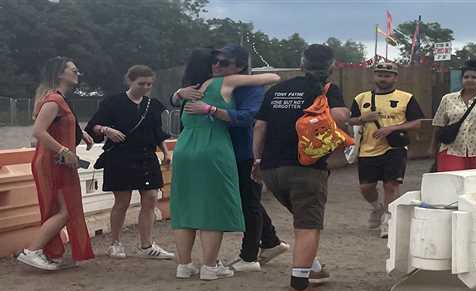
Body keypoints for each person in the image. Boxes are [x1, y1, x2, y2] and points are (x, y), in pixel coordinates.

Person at [171, 44, 288, 273]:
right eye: (214, 62)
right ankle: (216, 263)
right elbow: (273, 77)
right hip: (219, 149)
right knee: (220, 207)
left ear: (239, 67)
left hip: (212, 149)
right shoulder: (210, 85)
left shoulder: (198, 89)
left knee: (243, 202)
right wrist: (185, 98)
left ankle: (250, 253)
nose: (217, 65)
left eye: (223, 63)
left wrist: (184, 97)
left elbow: (249, 115)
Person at [252, 44, 350, 291]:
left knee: (302, 216)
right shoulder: (328, 90)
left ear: (301, 64)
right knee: (308, 225)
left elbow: (260, 127)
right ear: (331, 67)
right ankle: (299, 287)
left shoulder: (276, 90)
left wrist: (258, 159)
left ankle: (314, 269)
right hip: (306, 168)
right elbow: (341, 117)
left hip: (272, 169)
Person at [85, 65, 174, 260]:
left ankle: (147, 244)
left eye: (149, 84)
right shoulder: (112, 103)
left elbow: (157, 132)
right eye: (141, 83)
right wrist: (107, 130)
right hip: (120, 156)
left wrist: (166, 153)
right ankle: (115, 243)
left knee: (151, 197)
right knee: (122, 201)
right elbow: (93, 127)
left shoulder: (153, 105)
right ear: (130, 81)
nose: (145, 87)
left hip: (147, 155)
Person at [17, 56, 95, 270]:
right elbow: (38, 132)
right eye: (73, 69)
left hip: (57, 161)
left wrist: (80, 135)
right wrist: (63, 150)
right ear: (60, 74)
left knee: (59, 209)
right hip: (54, 162)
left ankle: (45, 252)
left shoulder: (56, 99)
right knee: (66, 209)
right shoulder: (54, 100)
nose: (77, 73)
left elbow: (57, 127)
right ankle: (32, 250)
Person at [349, 62, 424, 238]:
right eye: (380, 75)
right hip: (368, 149)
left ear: (395, 78)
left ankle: (388, 222)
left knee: (391, 185)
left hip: (394, 147)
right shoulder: (361, 98)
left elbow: (418, 122)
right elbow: (350, 120)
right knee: (366, 187)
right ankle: (377, 208)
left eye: (387, 75)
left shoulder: (406, 98)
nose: (383, 79)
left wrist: (393, 128)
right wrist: (362, 118)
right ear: (374, 76)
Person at [431, 59, 476, 172]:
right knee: (451, 185)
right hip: (452, 150)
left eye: (474, 77)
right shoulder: (448, 99)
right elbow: (438, 124)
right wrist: (432, 148)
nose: (469, 80)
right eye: (466, 77)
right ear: (462, 79)